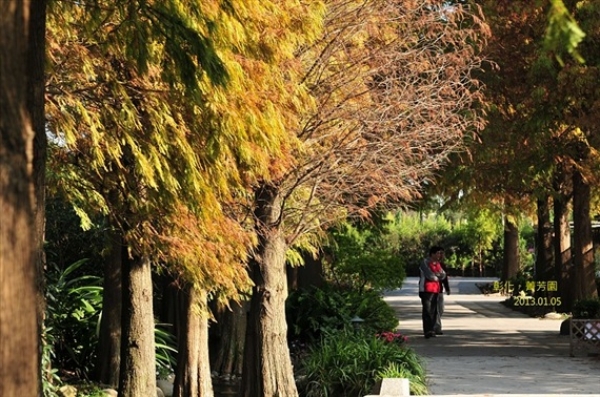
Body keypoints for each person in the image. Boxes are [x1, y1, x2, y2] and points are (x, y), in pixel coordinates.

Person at [419, 246, 446, 339]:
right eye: (438, 253)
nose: (439, 255)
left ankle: (433, 329)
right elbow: (430, 276)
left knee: (434, 310)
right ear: (432, 254)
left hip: (436, 290)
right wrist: (437, 276)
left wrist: (437, 276)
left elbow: (443, 275)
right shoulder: (425, 262)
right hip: (426, 289)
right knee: (427, 310)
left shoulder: (437, 264)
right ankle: (427, 330)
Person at [434, 250, 450, 335]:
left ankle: (433, 324)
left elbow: (445, 279)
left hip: (440, 290)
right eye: (439, 254)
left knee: (441, 309)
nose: (440, 256)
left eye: (441, 254)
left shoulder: (442, 265)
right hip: (432, 291)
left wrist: (447, 289)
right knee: (436, 310)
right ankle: (437, 328)